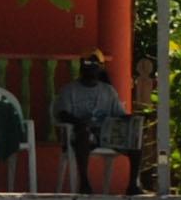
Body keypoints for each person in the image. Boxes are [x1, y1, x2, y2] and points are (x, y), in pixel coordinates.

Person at [52, 52, 127, 182]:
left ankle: (133, 185)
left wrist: (133, 121)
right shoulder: (69, 90)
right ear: (81, 66)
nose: (90, 67)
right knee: (83, 134)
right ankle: (84, 182)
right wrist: (80, 123)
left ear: (101, 68)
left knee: (135, 136)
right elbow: (62, 113)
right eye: (87, 63)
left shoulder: (108, 91)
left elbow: (120, 115)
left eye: (95, 64)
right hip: (79, 135)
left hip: (105, 135)